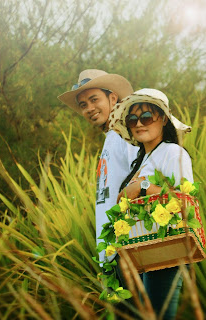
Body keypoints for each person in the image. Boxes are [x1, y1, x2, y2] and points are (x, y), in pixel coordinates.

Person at [109, 88, 192, 319]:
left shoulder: (172, 152)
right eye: (132, 119)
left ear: (163, 119)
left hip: (166, 251)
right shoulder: (141, 159)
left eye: (146, 117)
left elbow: (185, 203)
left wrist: (142, 187)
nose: (139, 123)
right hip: (143, 251)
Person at [57, 69, 139, 264]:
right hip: (114, 254)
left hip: (133, 250)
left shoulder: (129, 133)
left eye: (94, 100)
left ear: (112, 98)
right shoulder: (111, 137)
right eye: (83, 105)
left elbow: (144, 181)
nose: (89, 108)